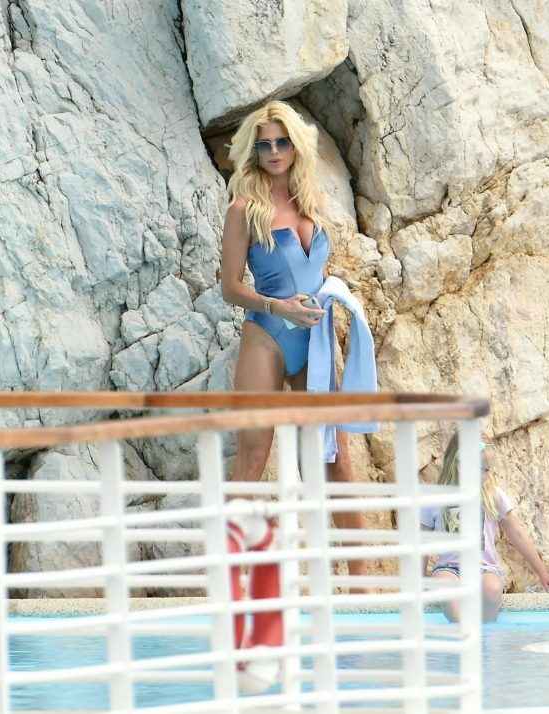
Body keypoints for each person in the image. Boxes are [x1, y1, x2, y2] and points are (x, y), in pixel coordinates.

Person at [219, 100, 369, 581]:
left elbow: (315, 269)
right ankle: (229, 577)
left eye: (282, 142)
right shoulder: (243, 210)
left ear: (296, 146)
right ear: (253, 151)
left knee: (334, 458)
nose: (274, 152)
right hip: (267, 335)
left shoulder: (312, 201)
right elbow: (229, 287)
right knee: (253, 456)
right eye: (264, 145)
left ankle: (364, 584)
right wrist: (277, 306)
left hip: (315, 340)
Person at [421, 434, 549, 623]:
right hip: (449, 569)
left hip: (484, 568)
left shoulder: (493, 496)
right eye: (483, 469)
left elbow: (517, 534)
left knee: (491, 590)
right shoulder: (435, 499)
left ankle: (486, 634)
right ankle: (463, 632)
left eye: (488, 470)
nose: (487, 475)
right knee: (446, 588)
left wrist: (542, 572)